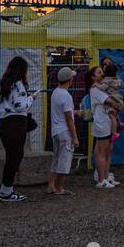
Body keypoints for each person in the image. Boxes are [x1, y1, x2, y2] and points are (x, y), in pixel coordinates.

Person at [0, 56, 34, 203]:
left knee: (12, 156)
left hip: (4, 122)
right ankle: (6, 191)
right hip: (16, 123)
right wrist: (31, 98)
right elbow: (20, 106)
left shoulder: (2, 83)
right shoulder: (18, 84)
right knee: (15, 156)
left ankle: (7, 189)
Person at [48, 68, 80, 196]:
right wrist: (75, 137)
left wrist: (75, 112)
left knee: (56, 158)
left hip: (55, 130)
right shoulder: (67, 96)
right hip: (65, 131)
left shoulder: (55, 92)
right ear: (70, 80)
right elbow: (68, 119)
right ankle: (59, 187)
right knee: (65, 160)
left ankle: (51, 185)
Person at [89, 66, 122, 188]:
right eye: (98, 72)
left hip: (107, 123)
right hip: (101, 124)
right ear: (93, 77)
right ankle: (101, 179)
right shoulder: (95, 89)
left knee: (107, 151)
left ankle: (106, 177)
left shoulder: (105, 86)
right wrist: (117, 105)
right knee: (101, 152)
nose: (101, 74)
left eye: (102, 72)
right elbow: (110, 101)